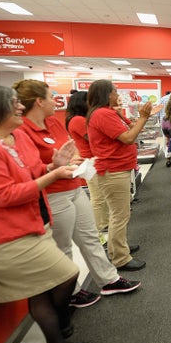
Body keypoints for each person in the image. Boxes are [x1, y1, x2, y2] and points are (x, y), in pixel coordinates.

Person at [0, 84, 92, 343]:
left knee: (42, 288)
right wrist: (52, 177)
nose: (20, 107)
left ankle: (55, 341)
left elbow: (27, 173)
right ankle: (60, 328)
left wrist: (52, 166)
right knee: (66, 276)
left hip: (22, 230)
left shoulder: (4, 140)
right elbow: (4, 195)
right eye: (14, 103)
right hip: (1, 239)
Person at [15, 80, 141, 308]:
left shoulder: (53, 122)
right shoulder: (22, 130)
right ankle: (71, 292)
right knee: (63, 245)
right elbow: (31, 168)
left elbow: (68, 149)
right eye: (51, 97)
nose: (56, 101)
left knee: (90, 237)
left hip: (73, 186)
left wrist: (72, 160)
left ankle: (109, 279)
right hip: (52, 193)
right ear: (39, 101)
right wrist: (54, 167)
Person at [87, 79, 159, 271]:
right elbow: (128, 138)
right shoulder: (102, 114)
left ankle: (120, 246)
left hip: (118, 169)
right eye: (115, 91)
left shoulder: (109, 113)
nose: (118, 94)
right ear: (106, 94)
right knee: (119, 215)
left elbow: (129, 129)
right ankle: (120, 258)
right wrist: (143, 117)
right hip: (113, 170)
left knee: (121, 213)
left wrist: (134, 117)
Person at [66, 91, 110, 237]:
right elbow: (92, 137)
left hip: (93, 160)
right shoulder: (78, 120)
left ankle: (104, 223)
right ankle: (99, 228)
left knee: (100, 195)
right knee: (98, 197)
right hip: (90, 161)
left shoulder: (77, 119)